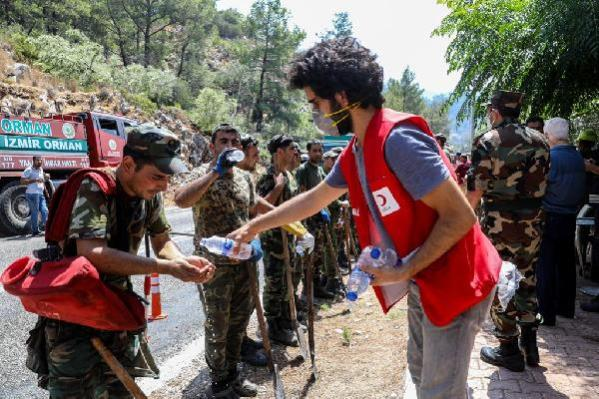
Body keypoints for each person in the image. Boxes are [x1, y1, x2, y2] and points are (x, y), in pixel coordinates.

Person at [229, 37, 501, 399]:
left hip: (454, 279)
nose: (316, 113)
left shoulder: (397, 141)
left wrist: (404, 269)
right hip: (427, 275)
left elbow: (460, 217)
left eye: (316, 102)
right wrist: (254, 225)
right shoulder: (360, 145)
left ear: (341, 97)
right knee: (424, 377)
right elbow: (316, 197)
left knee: (440, 392)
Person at [41, 124, 216, 398]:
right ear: (128, 164)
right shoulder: (95, 186)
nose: (164, 186)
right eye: (158, 176)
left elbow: (163, 242)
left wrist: (183, 261)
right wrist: (166, 267)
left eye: (168, 178)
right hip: (75, 313)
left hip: (116, 308)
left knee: (121, 389)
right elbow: (92, 253)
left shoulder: (150, 195)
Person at [174, 124, 269, 398]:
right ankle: (220, 383)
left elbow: (254, 207)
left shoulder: (244, 178)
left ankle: (233, 375)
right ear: (213, 146)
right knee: (218, 325)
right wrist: (215, 172)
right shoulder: (202, 174)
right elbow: (181, 200)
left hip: (245, 264)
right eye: (223, 141)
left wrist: (292, 222)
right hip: (214, 267)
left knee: (239, 325)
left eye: (234, 142)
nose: (229, 145)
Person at [467, 91, 550, 372]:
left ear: (495, 111)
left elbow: (475, 191)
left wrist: (466, 223)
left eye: (490, 111)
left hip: (498, 223)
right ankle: (530, 342)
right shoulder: (541, 140)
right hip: (533, 222)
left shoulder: (488, 141)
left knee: (501, 280)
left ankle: (507, 349)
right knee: (527, 278)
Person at [536, 118, 585, 326]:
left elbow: (540, 187)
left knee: (546, 264)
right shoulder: (578, 157)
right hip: (570, 216)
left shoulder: (550, 157)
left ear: (549, 136)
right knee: (566, 263)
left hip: (550, 214)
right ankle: (566, 307)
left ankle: (546, 313)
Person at [256, 135, 301, 347]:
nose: (295, 152)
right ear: (279, 152)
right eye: (291, 148)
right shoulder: (269, 178)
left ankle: (285, 320)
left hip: (289, 237)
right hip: (273, 239)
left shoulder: (288, 175)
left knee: (287, 280)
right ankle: (273, 326)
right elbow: (260, 207)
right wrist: (277, 188)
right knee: (275, 281)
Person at [295, 139, 337, 298]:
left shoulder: (319, 171)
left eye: (320, 150)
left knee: (318, 256)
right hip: (309, 220)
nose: (318, 153)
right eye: (315, 150)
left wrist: (324, 209)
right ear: (308, 151)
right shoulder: (303, 170)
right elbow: (302, 194)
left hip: (320, 220)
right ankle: (308, 290)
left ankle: (316, 287)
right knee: (310, 257)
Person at [21, 156, 49, 236]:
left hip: (40, 194)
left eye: (41, 160)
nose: (40, 162)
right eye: (38, 160)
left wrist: (46, 191)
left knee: (45, 210)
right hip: (32, 194)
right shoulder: (29, 170)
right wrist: (35, 180)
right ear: (33, 160)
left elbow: (42, 180)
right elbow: (22, 181)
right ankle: (35, 230)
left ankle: (48, 229)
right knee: (35, 212)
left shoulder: (41, 169)